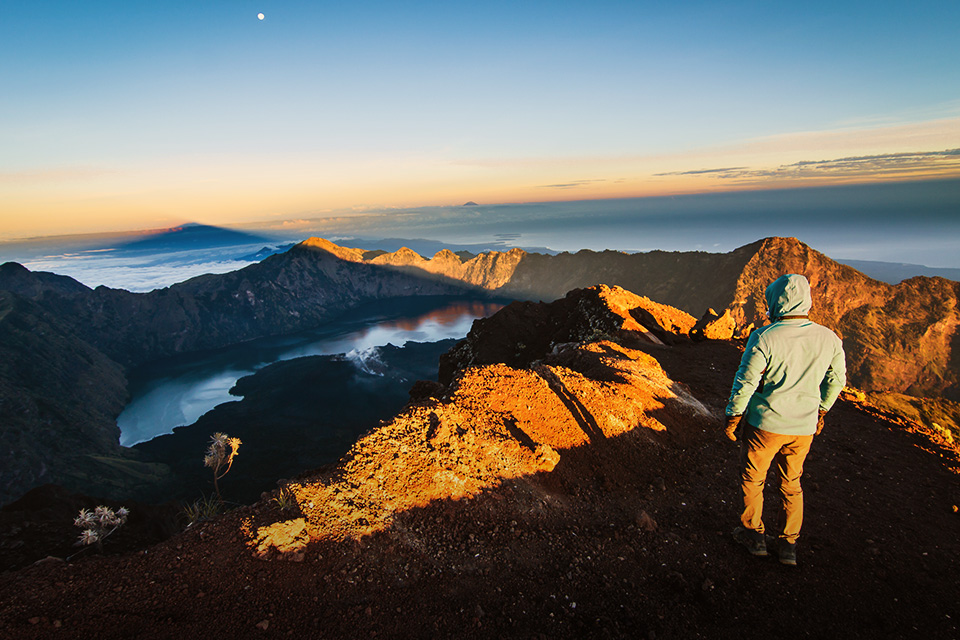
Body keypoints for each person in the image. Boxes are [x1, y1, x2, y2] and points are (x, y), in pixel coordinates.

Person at [724, 273, 846, 566]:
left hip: (765, 425)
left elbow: (746, 381)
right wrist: (821, 410)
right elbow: (837, 380)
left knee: (753, 479)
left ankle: (754, 537)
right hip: (803, 427)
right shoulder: (829, 338)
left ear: (775, 301)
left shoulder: (765, 336)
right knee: (792, 483)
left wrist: (733, 416)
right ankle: (788, 545)